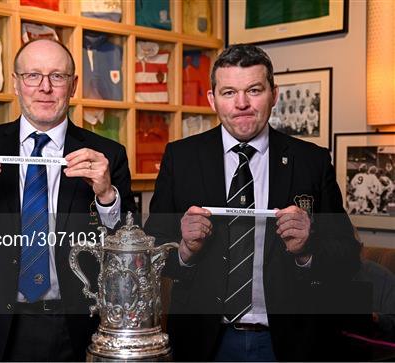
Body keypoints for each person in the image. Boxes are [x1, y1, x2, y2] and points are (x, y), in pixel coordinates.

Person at [144, 44, 361, 361]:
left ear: (274, 94)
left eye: (254, 90)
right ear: (212, 99)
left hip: (288, 343)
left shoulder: (311, 161)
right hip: (204, 343)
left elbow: (348, 256)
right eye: (229, 92)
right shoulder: (181, 158)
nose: (242, 103)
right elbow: (153, 254)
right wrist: (186, 250)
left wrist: (307, 247)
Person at [0, 39, 135, 361]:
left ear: (73, 85)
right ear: (15, 83)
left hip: (74, 326)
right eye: (32, 76)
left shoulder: (107, 155)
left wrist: (107, 196)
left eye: (57, 76)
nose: (45, 88)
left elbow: (127, 259)